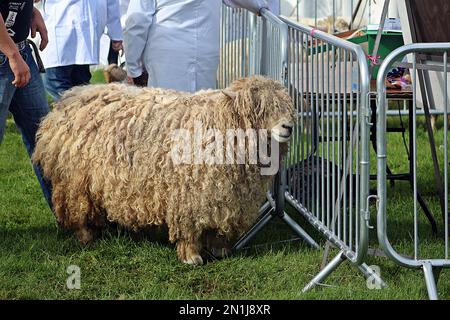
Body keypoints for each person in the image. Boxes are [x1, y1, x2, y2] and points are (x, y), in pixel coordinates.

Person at [124, 0, 271, 92]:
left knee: (166, 117)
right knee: (201, 116)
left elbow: (137, 21)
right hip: (204, 52)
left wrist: (133, 68)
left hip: (166, 54)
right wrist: (261, 7)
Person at [0, 0, 52, 208]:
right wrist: (13, 55)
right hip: (10, 55)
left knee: (45, 141)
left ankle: (70, 218)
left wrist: (29, 12)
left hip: (20, 54)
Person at [39, 0, 123, 101]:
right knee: (82, 92)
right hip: (84, 35)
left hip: (59, 31)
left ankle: (76, 115)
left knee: (60, 90)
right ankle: (85, 114)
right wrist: (115, 33)